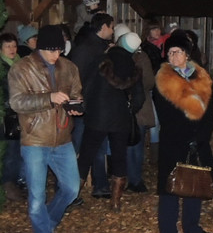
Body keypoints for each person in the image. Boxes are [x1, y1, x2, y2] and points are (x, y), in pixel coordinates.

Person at [8, 25, 83, 233]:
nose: (55, 55)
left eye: (59, 50)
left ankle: (46, 223)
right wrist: (48, 98)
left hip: (63, 138)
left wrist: (75, 105)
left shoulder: (68, 67)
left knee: (72, 188)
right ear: (40, 47)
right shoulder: (22, 68)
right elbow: (17, 102)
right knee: (36, 196)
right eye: (51, 50)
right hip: (35, 139)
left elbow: (77, 93)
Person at [153, 31, 213, 233]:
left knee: (195, 185)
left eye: (177, 52)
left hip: (198, 140)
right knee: (170, 189)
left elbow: (209, 111)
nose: (173, 56)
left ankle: (192, 227)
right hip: (174, 141)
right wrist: (187, 134)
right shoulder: (163, 81)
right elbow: (166, 114)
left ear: (187, 54)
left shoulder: (202, 78)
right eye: (170, 53)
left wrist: (201, 136)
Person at [77, 45, 144, 211]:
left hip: (97, 117)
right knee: (119, 158)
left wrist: (88, 108)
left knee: (86, 156)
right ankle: (115, 202)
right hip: (121, 119)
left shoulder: (100, 62)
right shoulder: (133, 67)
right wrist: (130, 110)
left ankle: (72, 196)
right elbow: (139, 97)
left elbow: (87, 87)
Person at [67, 12, 114, 198]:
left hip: (97, 105)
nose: (112, 31)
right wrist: (78, 100)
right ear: (104, 27)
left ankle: (100, 184)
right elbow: (75, 76)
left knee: (99, 145)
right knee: (77, 146)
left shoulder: (101, 48)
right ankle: (69, 187)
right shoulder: (86, 49)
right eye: (111, 27)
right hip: (86, 105)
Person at [120, 31, 156, 194]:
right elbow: (149, 82)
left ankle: (133, 179)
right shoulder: (143, 58)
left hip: (132, 106)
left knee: (131, 144)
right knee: (136, 144)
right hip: (140, 105)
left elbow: (149, 82)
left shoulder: (123, 58)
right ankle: (135, 179)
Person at [0, 32, 24, 201]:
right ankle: (8, 183)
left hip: (20, 112)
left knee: (18, 149)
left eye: (14, 45)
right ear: (0, 49)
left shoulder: (20, 64)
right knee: (10, 151)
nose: (12, 49)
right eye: (8, 46)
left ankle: (16, 181)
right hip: (7, 114)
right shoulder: (0, 68)